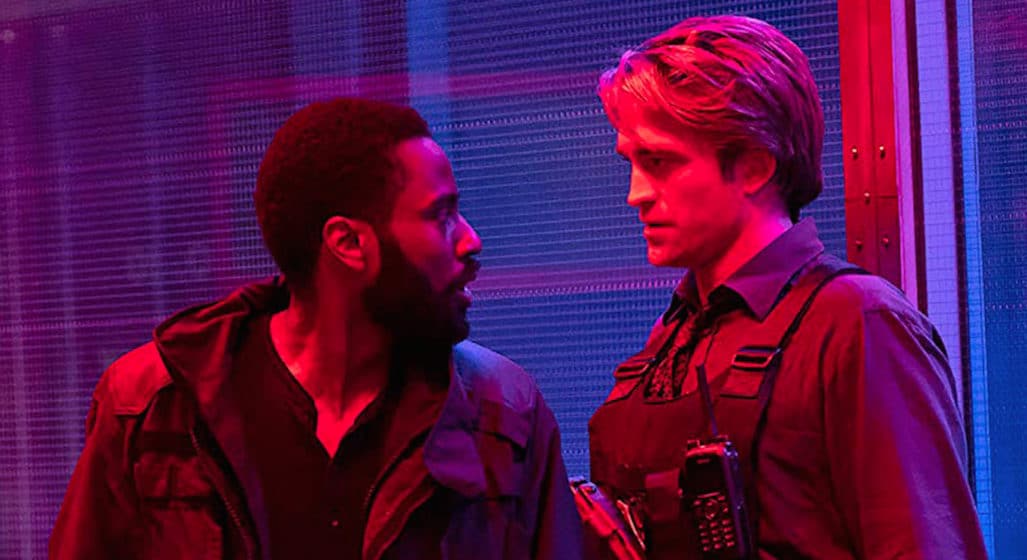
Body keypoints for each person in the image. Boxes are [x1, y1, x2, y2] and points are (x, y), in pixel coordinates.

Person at [50, 97, 582, 560]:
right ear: (347, 243)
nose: (470, 240)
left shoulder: (506, 411)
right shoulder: (150, 404)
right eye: (440, 216)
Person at [586, 15, 988, 559]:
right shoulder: (668, 340)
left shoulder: (859, 324)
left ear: (755, 167)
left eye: (660, 162)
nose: (636, 193)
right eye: (631, 163)